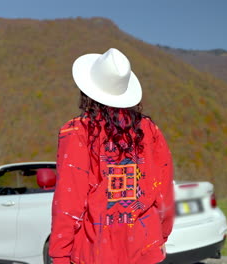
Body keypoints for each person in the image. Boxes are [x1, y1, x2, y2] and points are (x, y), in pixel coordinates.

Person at [49, 48, 174, 264]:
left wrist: (60, 254)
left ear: (87, 91)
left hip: (96, 250)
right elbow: (164, 190)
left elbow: (70, 200)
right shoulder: (148, 129)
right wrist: (162, 234)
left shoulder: (77, 132)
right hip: (145, 246)